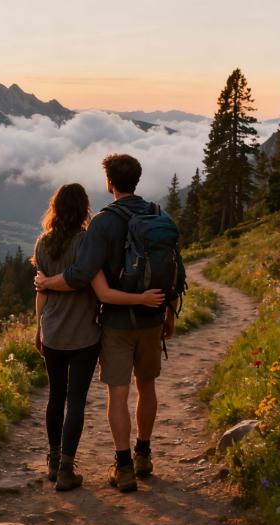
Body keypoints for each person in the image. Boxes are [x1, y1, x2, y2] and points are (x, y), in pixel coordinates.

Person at [35, 154, 180, 493]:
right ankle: (144, 454)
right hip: (153, 315)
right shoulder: (159, 215)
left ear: (110, 183)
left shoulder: (103, 223)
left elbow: (81, 274)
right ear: (137, 179)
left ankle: (124, 467)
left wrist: (46, 283)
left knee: (118, 393)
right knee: (147, 386)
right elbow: (175, 270)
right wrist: (169, 312)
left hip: (116, 320)